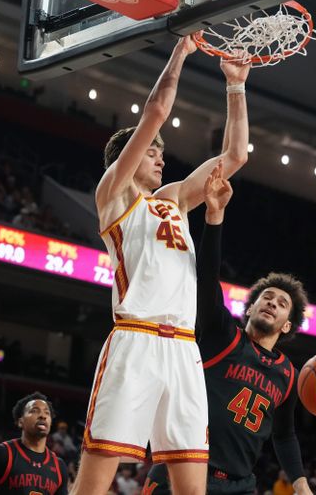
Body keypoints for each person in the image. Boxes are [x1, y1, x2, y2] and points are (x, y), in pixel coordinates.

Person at [72, 33, 251, 495]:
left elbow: (236, 156)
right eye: (152, 151)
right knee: (92, 485)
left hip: (183, 350)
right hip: (136, 340)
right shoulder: (112, 197)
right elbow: (154, 112)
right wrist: (181, 51)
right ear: (124, 160)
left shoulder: (173, 199)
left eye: (161, 152)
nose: (160, 156)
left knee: (192, 489)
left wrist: (236, 87)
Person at [144, 163, 313, 495]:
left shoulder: (289, 376)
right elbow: (207, 277)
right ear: (249, 308)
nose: (272, 303)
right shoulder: (222, 334)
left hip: (238, 486)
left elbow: (284, 435)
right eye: (266, 297)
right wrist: (214, 218)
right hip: (183, 468)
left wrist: (301, 483)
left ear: (288, 325)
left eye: (281, 303)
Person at [0, 392, 68, 495]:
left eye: (47, 413)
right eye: (35, 411)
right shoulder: (1, 453)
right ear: (20, 421)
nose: (42, 416)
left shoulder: (59, 466)